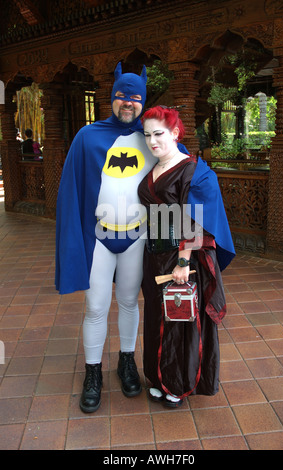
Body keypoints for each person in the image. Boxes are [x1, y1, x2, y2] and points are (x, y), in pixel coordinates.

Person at [55, 62, 159, 413]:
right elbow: (70, 190)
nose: (126, 103)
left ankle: (126, 361)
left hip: (137, 236)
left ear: (142, 101)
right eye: (120, 96)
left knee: (130, 302)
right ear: (110, 99)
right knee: (96, 306)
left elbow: (179, 173)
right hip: (98, 236)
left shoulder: (153, 138)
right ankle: (92, 372)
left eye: (133, 97)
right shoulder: (87, 136)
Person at [138, 106, 235, 407]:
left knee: (178, 322)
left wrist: (183, 261)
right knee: (157, 316)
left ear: (175, 133)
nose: (152, 141)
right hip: (153, 255)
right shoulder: (155, 168)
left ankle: (177, 384)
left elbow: (195, 220)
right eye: (148, 135)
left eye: (159, 134)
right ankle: (159, 378)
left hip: (181, 258)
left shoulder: (194, 171)